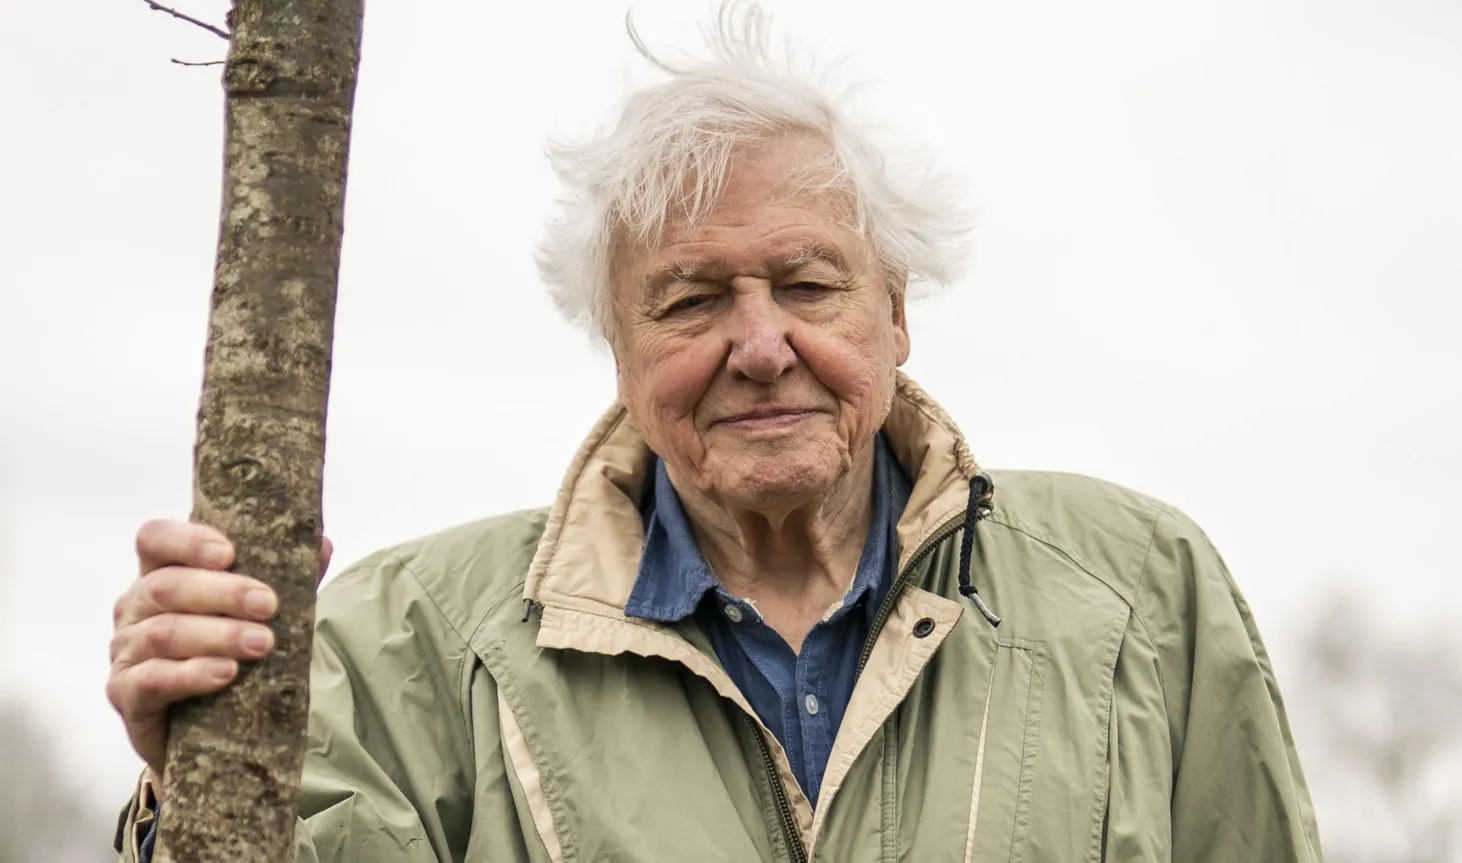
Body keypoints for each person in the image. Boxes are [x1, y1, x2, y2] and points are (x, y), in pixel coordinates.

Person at [107, 5, 1321, 861]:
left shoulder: (1140, 591)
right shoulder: (402, 645)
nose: (759, 344)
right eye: (691, 300)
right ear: (620, 346)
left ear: (896, 310)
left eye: (807, 284)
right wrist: (202, 771)